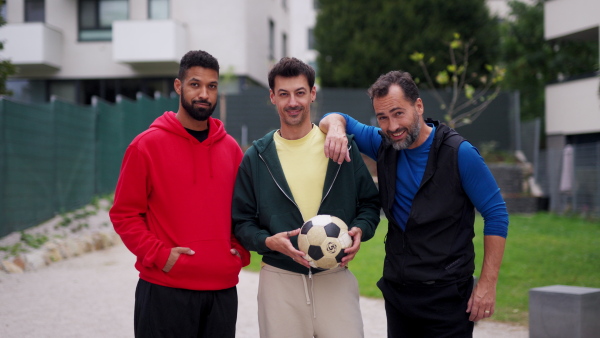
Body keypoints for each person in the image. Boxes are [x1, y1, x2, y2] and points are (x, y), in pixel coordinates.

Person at [319, 70, 509, 337]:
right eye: (382, 117)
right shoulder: (383, 143)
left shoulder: (459, 153)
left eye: (399, 113)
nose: (392, 126)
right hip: (399, 293)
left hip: (447, 296)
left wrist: (488, 284)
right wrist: (337, 131)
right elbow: (333, 118)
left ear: (418, 106)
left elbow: (497, 214)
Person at [231, 57, 380, 338]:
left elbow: (370, 204)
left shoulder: (340, 146)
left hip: (335, 277)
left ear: (312, 94)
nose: (293, 102)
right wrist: (266, 241)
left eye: (300, 92)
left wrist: (362, 229)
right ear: (272, 97)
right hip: (279, 281)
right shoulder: (257, 157)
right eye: (284, 94)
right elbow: (241, 222)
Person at [109, 50, 250, 338]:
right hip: (164, 290)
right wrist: (160, 255)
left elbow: (244, 211)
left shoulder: (232, 150)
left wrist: (238, 251)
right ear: (178, 86)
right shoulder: (145, 146)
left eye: (211, 86)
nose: (204, 94)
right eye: (195, 84)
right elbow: (124, 214)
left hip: (222, 292)